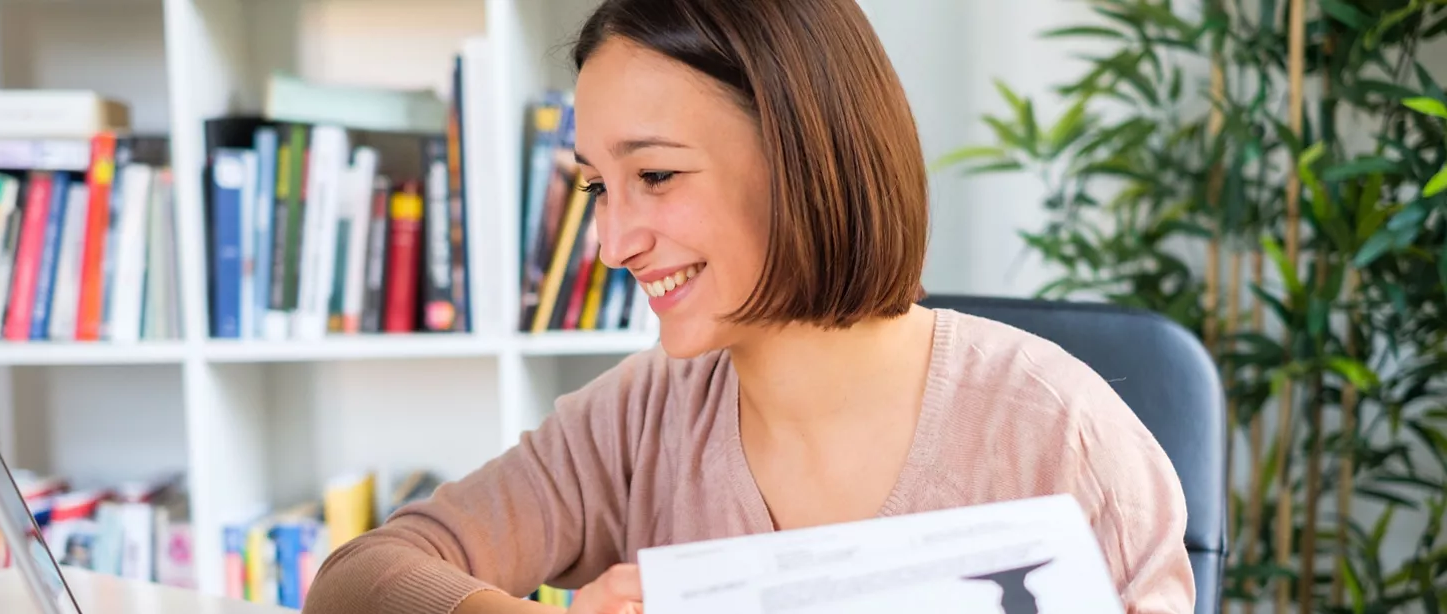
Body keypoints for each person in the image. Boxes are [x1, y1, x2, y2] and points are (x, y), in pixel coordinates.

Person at [301, 0, 1196, 612]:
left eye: (654, 176)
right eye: (597, 189)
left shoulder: (1061, 437)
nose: (614, 243)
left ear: (806, 155)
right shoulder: (637, 421)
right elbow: (358, 578)